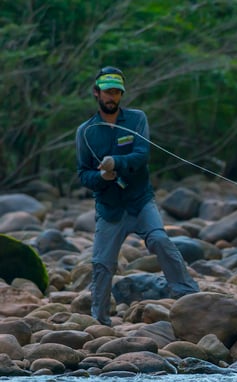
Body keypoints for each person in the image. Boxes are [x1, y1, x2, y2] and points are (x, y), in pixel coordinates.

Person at [75, 66, 199, 326]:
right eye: (108, 92)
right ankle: (99, 320)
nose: (112, 97)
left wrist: (115, 163)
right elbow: (83, 174)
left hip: (140, 201)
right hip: (109, 208)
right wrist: (101, 177)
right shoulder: (85, 131)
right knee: (102, 264)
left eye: (117, 93)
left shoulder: (136, 119)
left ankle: (189, 295)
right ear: (96, 93)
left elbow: (141, 155)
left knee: (160, 240)